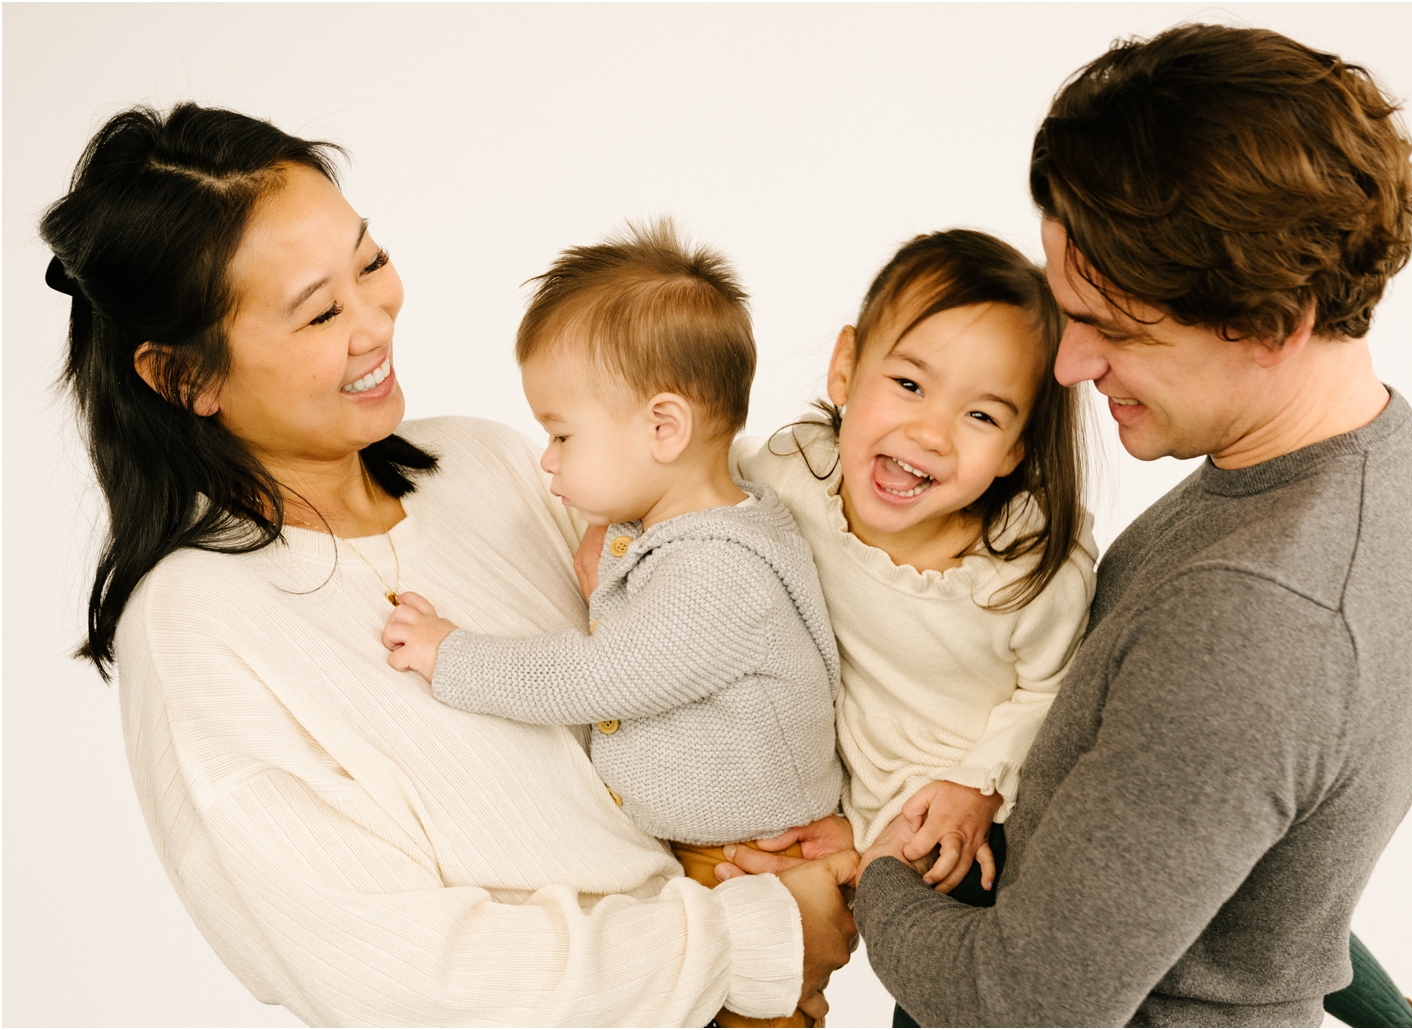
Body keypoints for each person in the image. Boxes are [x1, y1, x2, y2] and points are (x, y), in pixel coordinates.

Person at [40, 102, 856, 1027]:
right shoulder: (197, 627)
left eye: (371, 262)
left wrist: (825, 819)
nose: (375, 322)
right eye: (318, 313)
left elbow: (734, 633)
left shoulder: (494, 464)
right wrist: (748, 938)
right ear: (187, 377)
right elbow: (407, 980)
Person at [847, 24, 1412, 1027]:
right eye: (1063, 309)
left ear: (1268, 324)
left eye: (1112, 327)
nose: (1066, 367)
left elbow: (1022, 1007)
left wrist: (875, 877)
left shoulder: (1259, 618)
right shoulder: (1371, 457)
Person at [380, 221, 845, 1028]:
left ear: (664, 429)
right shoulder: (692, 535)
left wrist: (446, 653)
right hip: (705, 863)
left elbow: (592, 677)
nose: (547, 459)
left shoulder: (717, 574)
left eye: (562, 433)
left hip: (740, 874)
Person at [730, 229, 1097, 902]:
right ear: (845, 367)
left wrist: (978, 784)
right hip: (850, 806)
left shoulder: (1021, 570)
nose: (930, 433)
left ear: (1017, 449)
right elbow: (697, 490)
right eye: (907, 384)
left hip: (981, 813)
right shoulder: (795, 475)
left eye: (982, 416)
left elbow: (1057, 694)